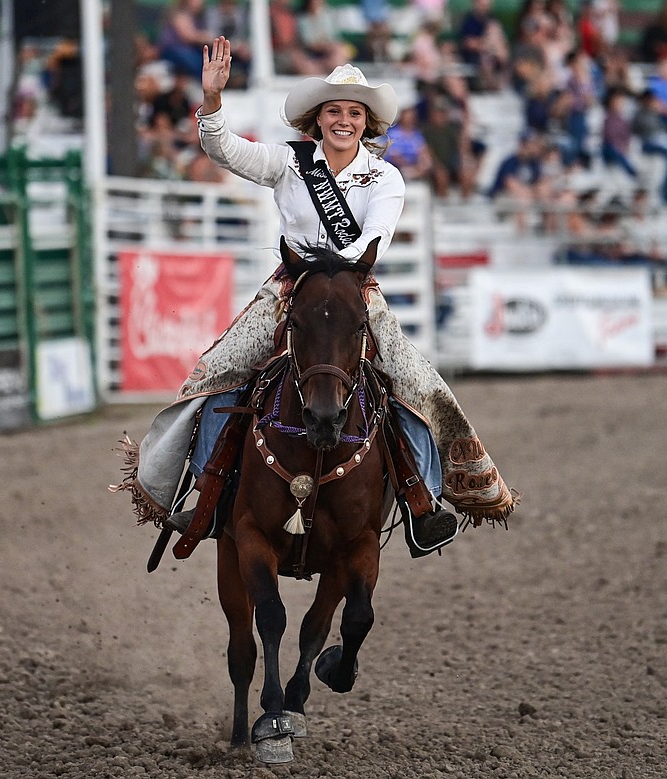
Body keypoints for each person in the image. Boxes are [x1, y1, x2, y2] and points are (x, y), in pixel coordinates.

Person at [114, 37, 518, 558]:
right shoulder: (288, 162)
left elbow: (373, 240)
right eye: (334, 111)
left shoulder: (385, 178)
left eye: (354, 112)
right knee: (216, 371)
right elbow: (226, 151)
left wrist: (330, 272)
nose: (344, 120)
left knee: (418, 383)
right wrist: (213, 102)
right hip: (289, 290)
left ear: (366, 122)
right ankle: (203, 491)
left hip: (353, 291)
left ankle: (423, 503)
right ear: (318, 118)